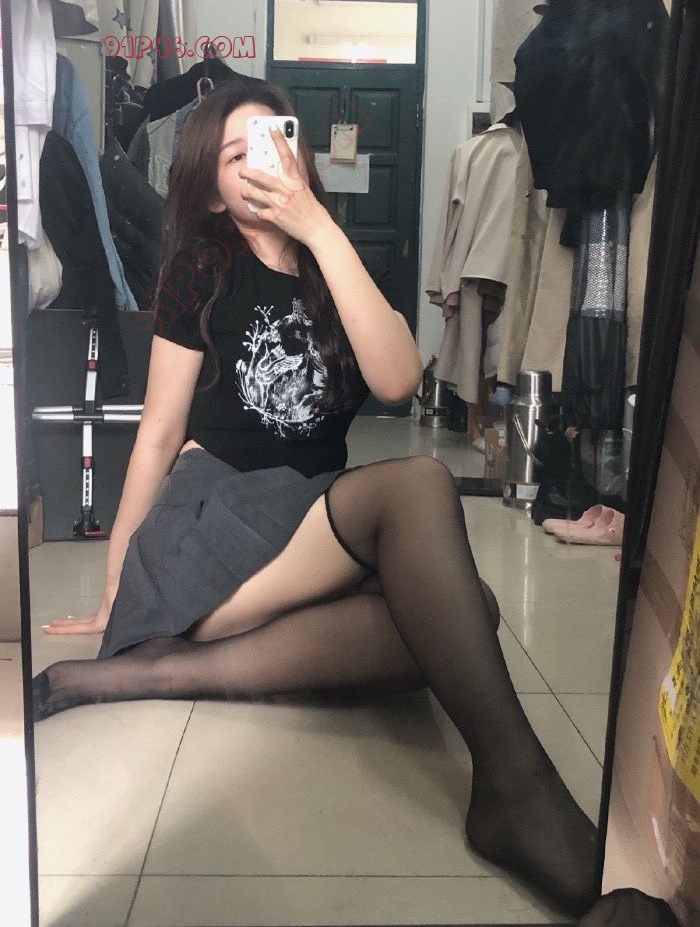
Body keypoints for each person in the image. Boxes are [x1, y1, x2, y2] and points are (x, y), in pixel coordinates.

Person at [33, 80, 598, 918]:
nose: (260, 164)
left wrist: (322, 233)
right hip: (215, 522)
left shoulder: (336, 262)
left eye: (275, 142)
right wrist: (118, 585)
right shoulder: (201, 267)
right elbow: (157, 434)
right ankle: (515, 791)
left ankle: (164, 673)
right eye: (236, 155)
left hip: (303, 524)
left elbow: (398, 381)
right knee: (418, 486)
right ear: (212, 190)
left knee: (467, 613)